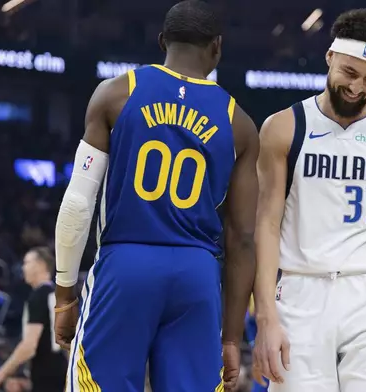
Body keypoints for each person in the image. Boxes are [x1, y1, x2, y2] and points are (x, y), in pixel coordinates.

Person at [52, 1, 259, 391]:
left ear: (162, 41)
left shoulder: (116, 94)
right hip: (197, 275)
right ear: (217, 47)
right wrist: (231, 338)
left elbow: (78, 204)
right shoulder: (240, 124)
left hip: (126, 264)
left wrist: (64, 295)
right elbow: (243, 239)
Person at [252, 8, 366, 392]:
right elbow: (266, 226)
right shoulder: (283, 127)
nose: (357, 87)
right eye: (349, 74)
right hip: (301, 292)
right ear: (330, 57)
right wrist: (266, 317)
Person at [0, 247, 67, 391]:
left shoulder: (37, 297)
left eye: (27, 262)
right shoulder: (59, 295)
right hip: (62, 372)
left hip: (46, 376)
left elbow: (29, 346)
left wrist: (1, 373)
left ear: (41, 265)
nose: (23, 267)